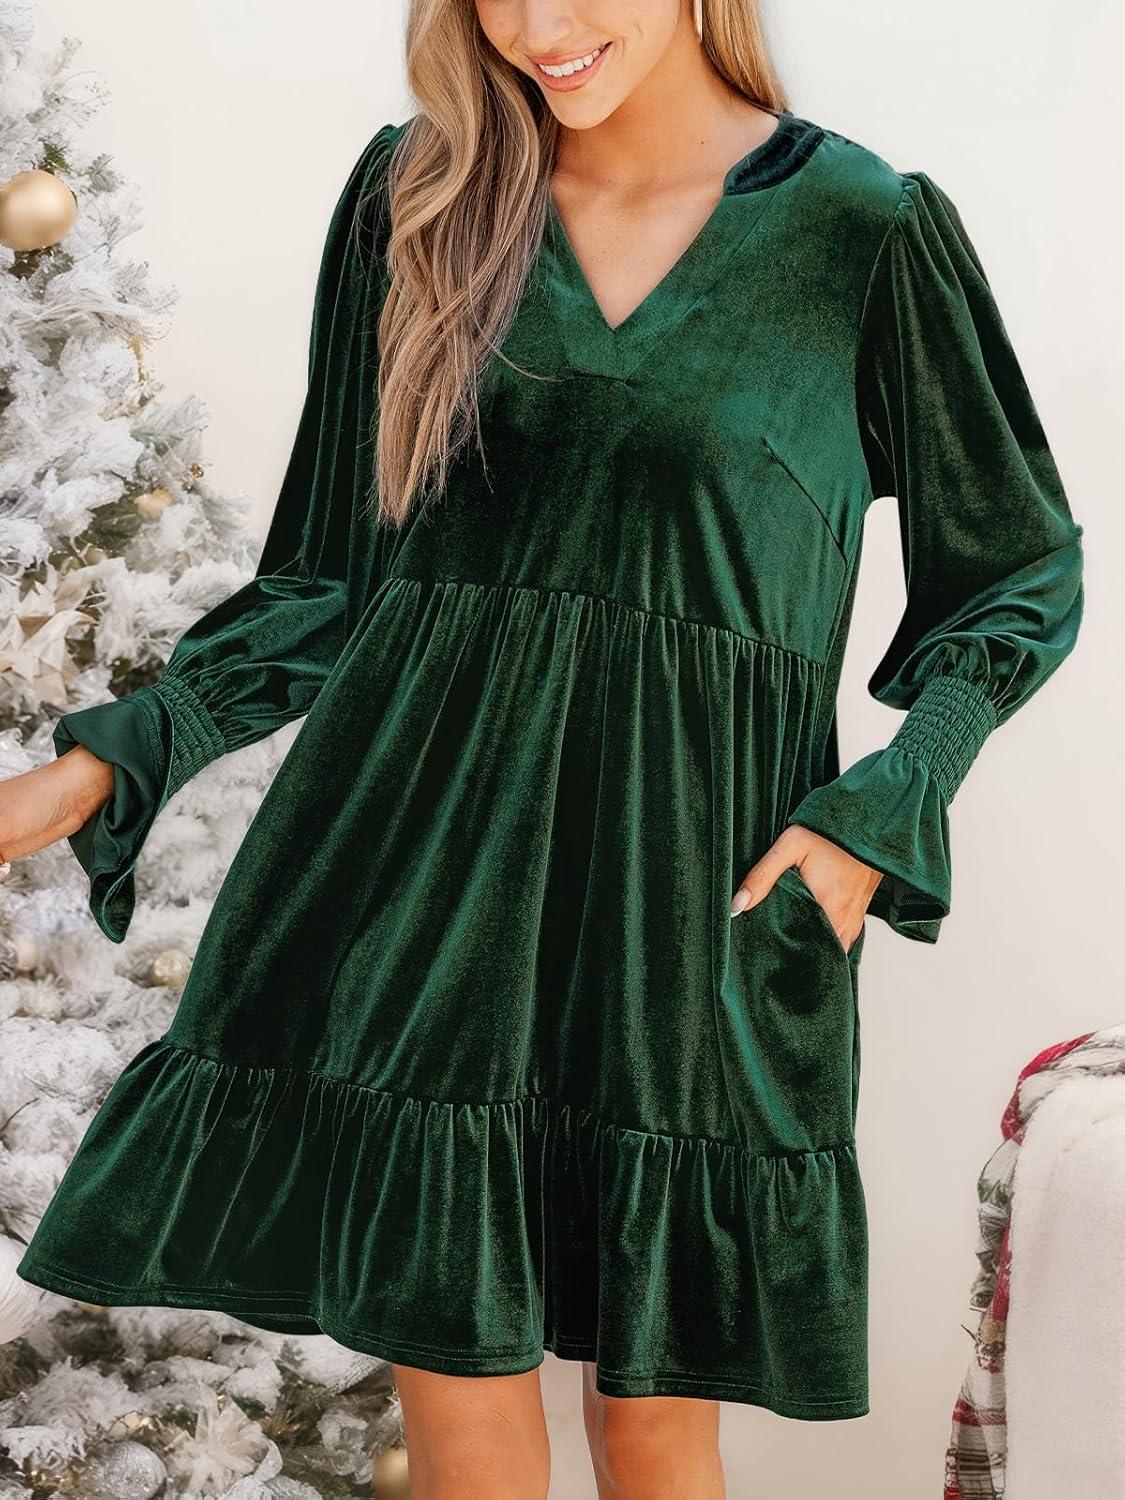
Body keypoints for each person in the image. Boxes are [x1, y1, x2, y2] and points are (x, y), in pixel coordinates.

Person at [1, 1, 1085, 1496]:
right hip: (420, 878)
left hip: (692, 887)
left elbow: (1016, 567)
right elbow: (326, 576)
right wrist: (106, 762)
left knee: (654, 1423)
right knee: (461, 1401)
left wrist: (881, 807)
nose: (537, 26)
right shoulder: (422, 195)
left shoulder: (864, 230)